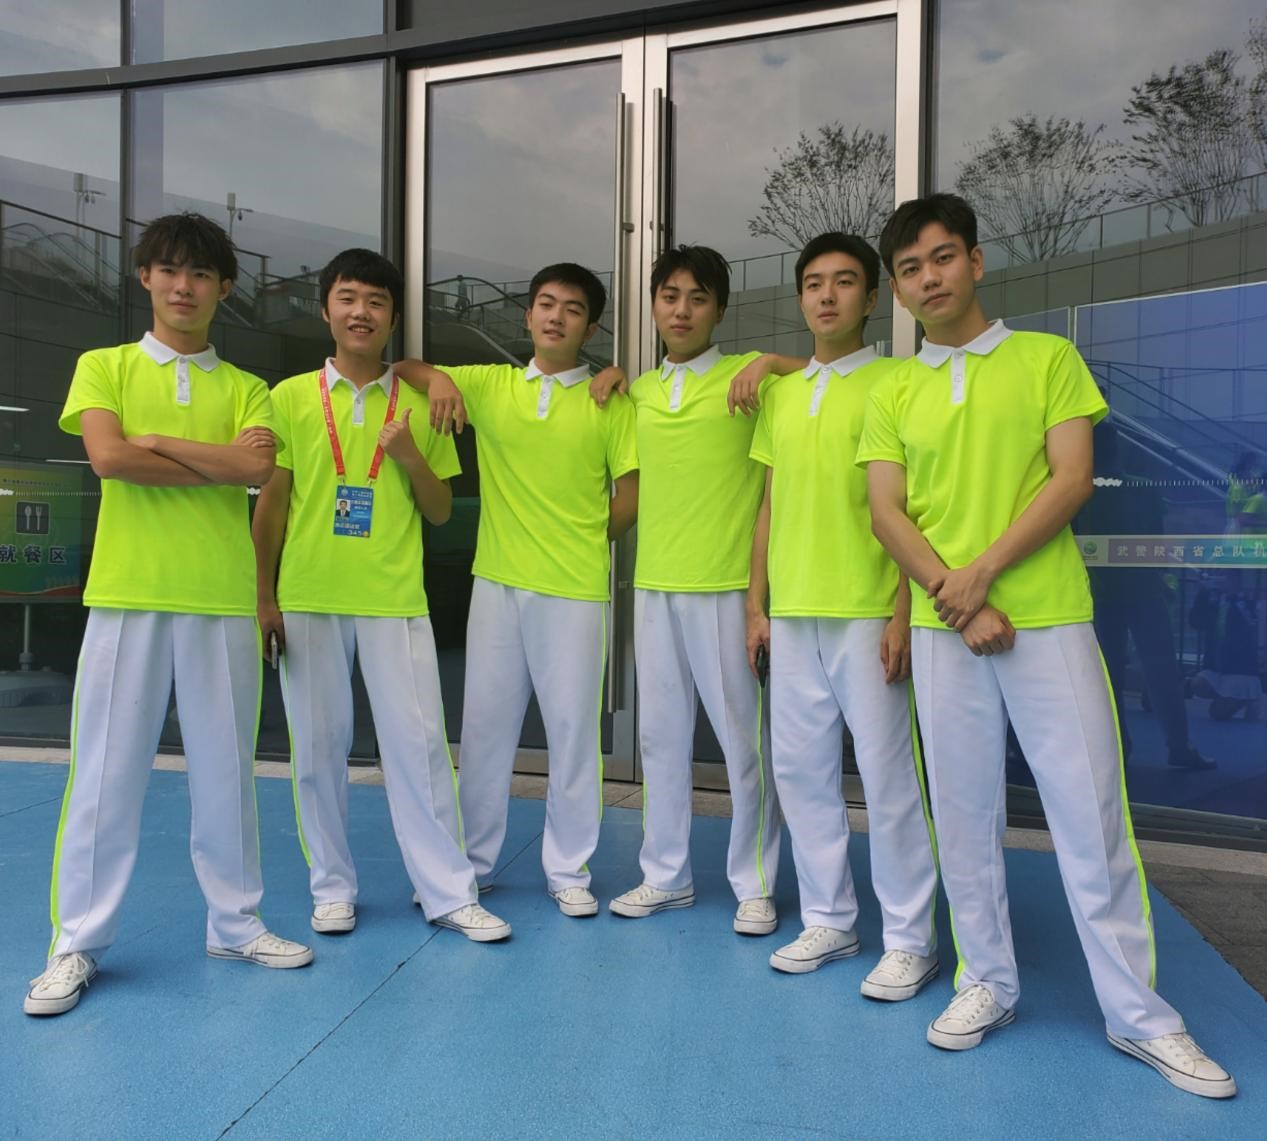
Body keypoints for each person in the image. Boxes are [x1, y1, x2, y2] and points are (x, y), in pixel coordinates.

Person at [859, 192, 1235, 1098]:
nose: (927, 278)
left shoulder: (1046, 358)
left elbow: (1071, 479)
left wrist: (981, 573)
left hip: (1048, 617)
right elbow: (885, 511)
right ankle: (985, 981)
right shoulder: (892, 388)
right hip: (945, 628)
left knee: (1088, 815)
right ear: (898, 291)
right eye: (909, 269)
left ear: (975, 261)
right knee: (963, 816)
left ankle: (1139, 1016)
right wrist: (957, 600)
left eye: (941, 257)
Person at [26, 213, 312, 1017]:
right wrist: (213, 464)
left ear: (224, 287)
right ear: (145, 276)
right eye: (170, 270)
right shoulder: (104, 365)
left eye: (201, 274)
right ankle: (76, 941)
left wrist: (158, 444)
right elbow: (109, 457)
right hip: (128, 594)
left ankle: (236, 923)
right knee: (104, 775)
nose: (184, 286)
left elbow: (259, 469)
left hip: (221, 599)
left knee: (227, 771)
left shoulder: (248, 387)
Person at [252, 249, 510, 943]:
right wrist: (264, 598)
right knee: (317, 751)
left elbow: (439, 510)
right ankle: (332, 888)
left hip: (394, 596)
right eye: (347, 297)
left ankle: (446, 891)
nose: (360, 312)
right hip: (309, 594)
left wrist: (408, 455)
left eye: (375, 301)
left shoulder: (421, 402)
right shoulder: (288, 398)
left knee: (419, 748)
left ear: (393, 318)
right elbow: (272, 504)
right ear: (325, 308)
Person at [394, 263, 638, 917]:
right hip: (497, 585)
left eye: (573, 308)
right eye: (546, 304)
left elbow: (629, 495)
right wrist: (440, 378)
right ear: (527, 316)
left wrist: (582, 538)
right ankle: (471, 865)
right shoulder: (490, 384)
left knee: (573, 733)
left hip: (575, 589)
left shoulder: (609, 401)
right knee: (484, 730)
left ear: (590, 327)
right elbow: (404, 369)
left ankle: (569, 869)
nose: (556, 316)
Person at [745, 233, 939, 995]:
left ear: (872, 297)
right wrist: (756, 603)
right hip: (793, 612)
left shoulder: (897, 381)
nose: (826, 296)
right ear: (799, 297)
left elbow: (911, 504)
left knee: (888, 779)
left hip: (867, 610)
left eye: (844, 282)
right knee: (799, 773)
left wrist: (902, 610)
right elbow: (768, 504)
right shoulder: (781, 395)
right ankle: (828, 916)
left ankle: (910, 938)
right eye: (813, 283)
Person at [596, 245, 799, 934]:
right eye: (670, 296)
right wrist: (612, 377)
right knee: (659, 740)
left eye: (698, 298)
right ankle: (665, 875)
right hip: (654, 585)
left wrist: (771, 363)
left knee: (745, 745)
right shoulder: (639, 394)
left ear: (719, 309)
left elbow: (828, 375)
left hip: (726, 589)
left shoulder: (750, 380)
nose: (681, 310)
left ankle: (756, 882)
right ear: (654, 305)